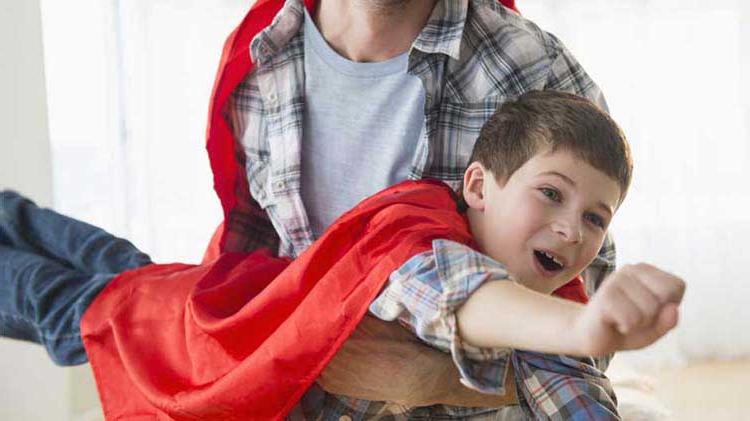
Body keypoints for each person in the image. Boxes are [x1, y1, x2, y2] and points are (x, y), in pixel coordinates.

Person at [0, 91, 685, 420]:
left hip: (213, 293)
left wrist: (580, 338)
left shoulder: (549, 313)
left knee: (114, 262)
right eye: (551, 195)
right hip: (196, 342)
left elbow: (570, 390)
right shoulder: (417, 236)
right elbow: (456, 295)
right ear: (477, 185)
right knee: (59, 299)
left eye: (595, 217)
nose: (572, 230)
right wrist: (587, 326)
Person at [206, 0, 614, 408]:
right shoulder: (262, 57)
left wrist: (441, 382)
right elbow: (248, 266)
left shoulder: (537, 71)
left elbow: (590, 334)